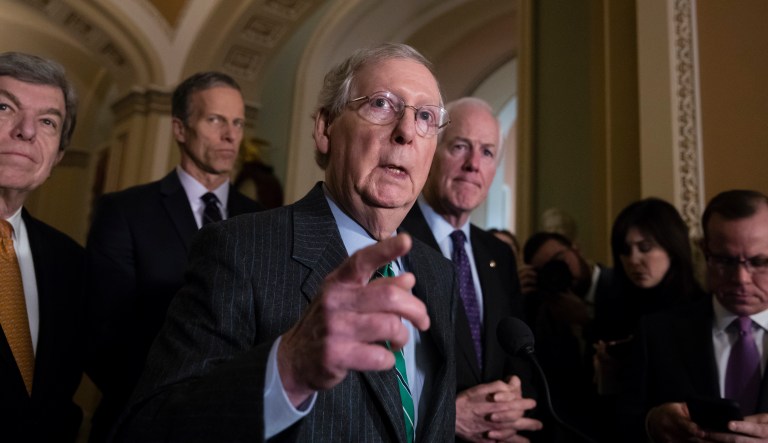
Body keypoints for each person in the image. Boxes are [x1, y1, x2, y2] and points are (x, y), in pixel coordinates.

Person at [112, 42, 458, 442]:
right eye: (381, 104)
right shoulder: (240, 250)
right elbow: (149, 427)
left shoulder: (438, 275)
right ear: (325, 129)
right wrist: (287, 370)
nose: (405, 133)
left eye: (426, 117)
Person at [84, 71, 262, 441]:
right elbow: (101, 333)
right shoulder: (125, 211)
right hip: (141, 421)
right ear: (180, 129)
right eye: (215, 120)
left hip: (235, 423)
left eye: (238, 123)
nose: (231, 135)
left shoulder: (262, 220)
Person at [400, 97, 541, 442]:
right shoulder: (394, 238)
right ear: (432, 151)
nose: (473, 164)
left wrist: (508, 403)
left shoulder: (499, 254)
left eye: (488, 153)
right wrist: (446, 415)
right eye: (460, 147)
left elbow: (515, 352)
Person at [621, 190, 768, 442]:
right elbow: (620, 426)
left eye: (759, 262)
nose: (741, 279)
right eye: (724, 261)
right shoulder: (658, 332)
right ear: (704, 249)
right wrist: (653, 424)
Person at [0, 51, 84, 441]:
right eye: (4, 107)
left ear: (57, 158)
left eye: (48, 121)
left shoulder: (70, 262)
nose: (26, 131)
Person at [592, 197, 705, 440]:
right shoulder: (611, 308)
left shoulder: (700, 311)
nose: (633, 259)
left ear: (672, 247)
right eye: (625, 250)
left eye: (645, 248)